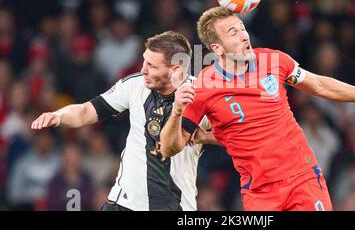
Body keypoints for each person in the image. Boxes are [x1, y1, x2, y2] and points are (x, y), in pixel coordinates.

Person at [160, 6, 355, 211]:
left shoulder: (273, 61)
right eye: (233, 32)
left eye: (243, 28)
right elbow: (170, 147)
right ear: (217, 49)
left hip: (303, 178)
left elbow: (320, 85)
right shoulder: (204, 86)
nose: (244, 36)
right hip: (260, 194)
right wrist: (179, 110)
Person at [31, 31, 217, 211]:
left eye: (152, 65)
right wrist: (58, 116)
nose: (143, 69)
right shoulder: (134, 85)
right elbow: (86, 111)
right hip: (124, 202)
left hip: (174, 205)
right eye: (145, 60)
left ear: (176, 69)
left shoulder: (202, 96)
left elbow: (240, 134)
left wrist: (206, 137)